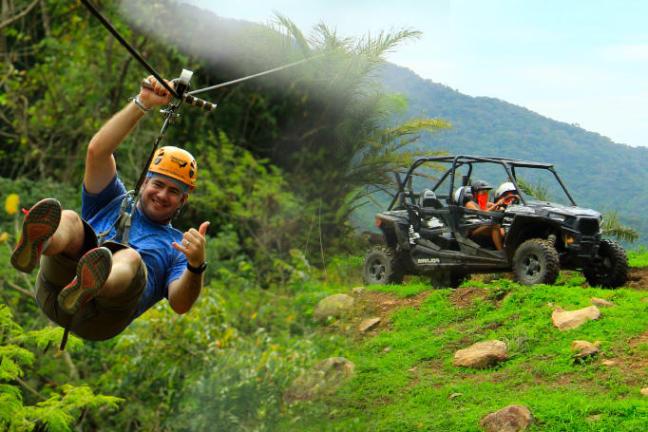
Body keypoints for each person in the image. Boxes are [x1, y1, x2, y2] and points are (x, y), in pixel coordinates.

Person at [10, 76, 210, 345]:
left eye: (174, 192)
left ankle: (92, 283)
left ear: (183, 200)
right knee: (68, 218)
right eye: (158, 185)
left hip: (102, 318)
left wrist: (196, 266)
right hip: (54, 289)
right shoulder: (112, 199)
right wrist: (143, 102)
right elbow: (97, 152)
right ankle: (41, 243)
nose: (163, 195)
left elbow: (180, 304)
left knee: (130, 258)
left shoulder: (176, 247)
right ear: (145, 181)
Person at [460, 180, 504, 250]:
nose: (485, 194)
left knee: (503, 228)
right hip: (473, 230)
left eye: (486, 192)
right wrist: (496, 205)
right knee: (494, 225)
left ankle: (506, 248)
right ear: (475, 193)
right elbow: (481, 214)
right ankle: (501, 251)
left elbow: (497, 206)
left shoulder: (485, 203)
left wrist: (500, 207)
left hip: (484, 227)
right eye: (483, 192)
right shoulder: (470, 204)